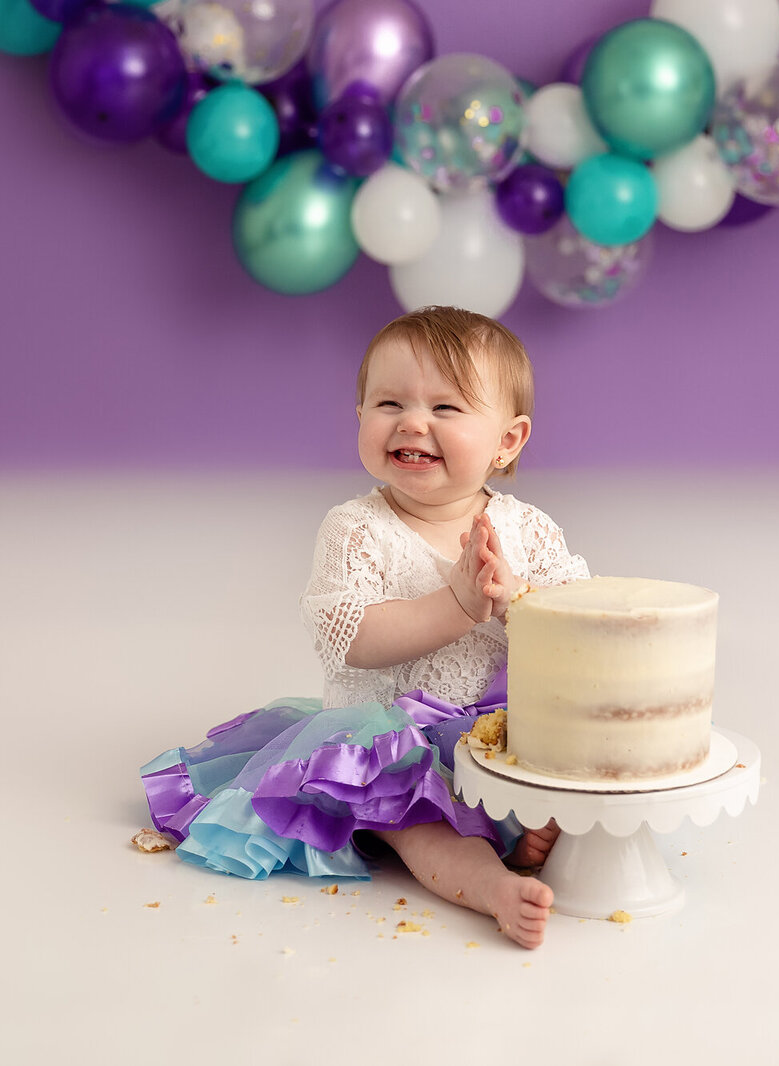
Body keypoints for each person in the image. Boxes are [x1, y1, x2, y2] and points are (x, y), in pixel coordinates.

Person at [140, 306, 590, 949]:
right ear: (359, 419)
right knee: (417, 819)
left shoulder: (529, 531)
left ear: (508, 441)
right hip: (384, 738)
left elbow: (578, 627)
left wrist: (515, 594)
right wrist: (457, 604)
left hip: (492, 730)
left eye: (446, 408)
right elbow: (348, 638)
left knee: (584, 762)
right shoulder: (356, 529)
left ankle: (531, 824)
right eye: (388, 403)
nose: (412, 422)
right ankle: (492, 885)